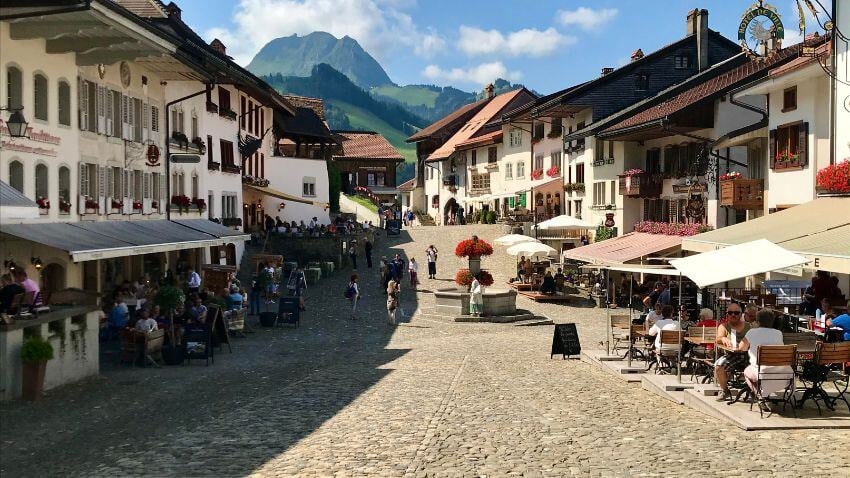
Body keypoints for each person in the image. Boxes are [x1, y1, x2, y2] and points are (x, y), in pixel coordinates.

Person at [738, 309, 794, 400]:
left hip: (762, 373)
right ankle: (765, 394)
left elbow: (742, 348)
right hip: (783, 372)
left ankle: (760, 396)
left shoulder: (752, 332)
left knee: (746, 371)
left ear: (758, 321)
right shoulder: (778, 333)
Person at [713, 303, 752, 401]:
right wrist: (723, 339)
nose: (733, 315)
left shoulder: (749, 326)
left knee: (762, 365)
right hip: (732, 356)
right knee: (718, 366)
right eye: (730, 313)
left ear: (741, 314)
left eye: (736, 313)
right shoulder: (724, 326)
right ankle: (725, 390)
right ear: (727, 314)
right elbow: (717, 339)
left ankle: (758, 392)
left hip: (750, 356)